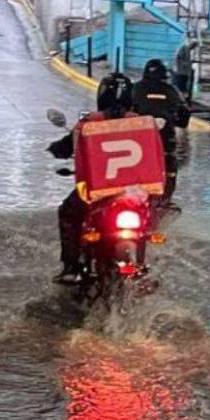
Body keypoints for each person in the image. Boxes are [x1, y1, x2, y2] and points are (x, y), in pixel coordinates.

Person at [48, 72, 136, 284]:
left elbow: (65, 147)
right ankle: (139, 263)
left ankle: (71, 266)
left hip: (98, 192)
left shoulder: (88, 123)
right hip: (134, 193)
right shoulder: (142, 123)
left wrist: (56, 148)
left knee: (68, 213)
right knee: (148, 221)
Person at [131, 58, 190, 202]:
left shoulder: (135, 89)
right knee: (170, 167)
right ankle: (166, 200)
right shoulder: (172, 91)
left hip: (135, 145)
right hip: (165, 143)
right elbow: (184, 115)